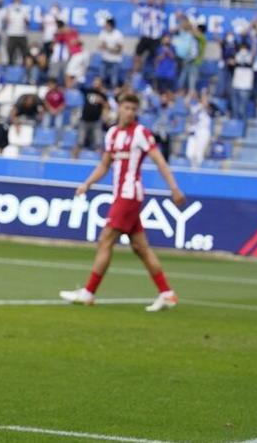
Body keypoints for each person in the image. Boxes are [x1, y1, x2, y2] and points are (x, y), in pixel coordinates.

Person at [60, 93, 187, 312]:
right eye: (126, 107)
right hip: (121, 195)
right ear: (119, 108)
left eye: (133, 109)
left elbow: (159, 161)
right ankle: (166, 293)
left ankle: (89, 292)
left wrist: (174, 188)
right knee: (140, 248)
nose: (130, 112)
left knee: (105, 240)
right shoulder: (112, 134)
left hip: (129, 195)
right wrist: (87, 184)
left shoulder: (140, 133)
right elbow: (104, 165)